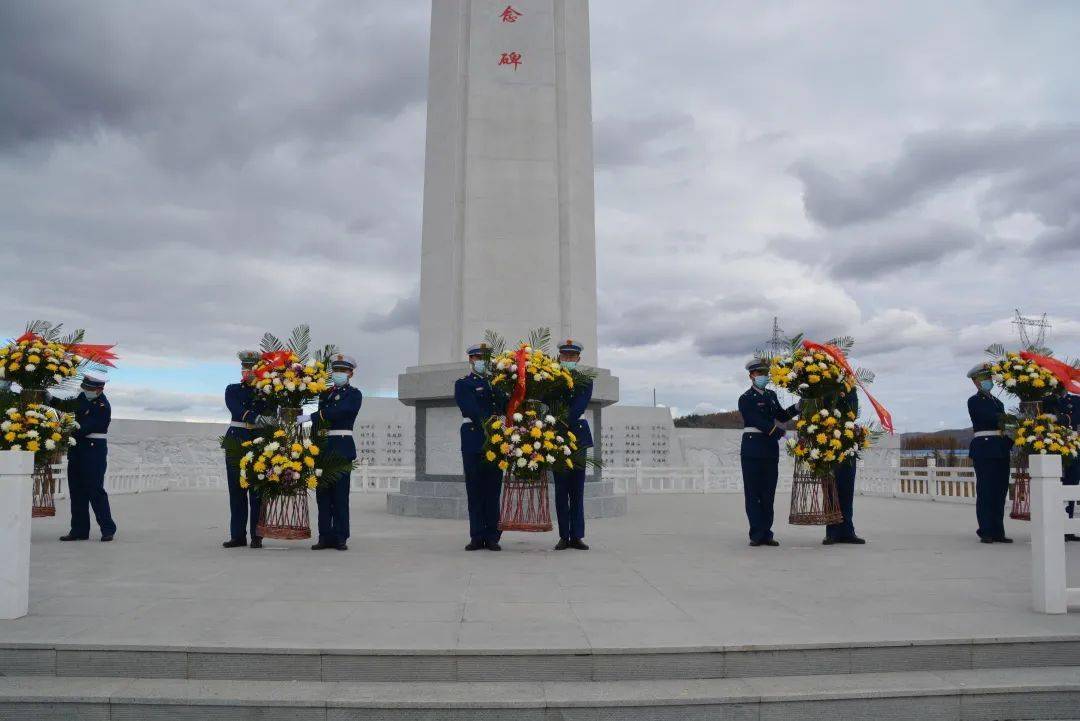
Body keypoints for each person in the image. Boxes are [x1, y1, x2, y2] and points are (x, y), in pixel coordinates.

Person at [738, 358, 799, 547]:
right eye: (758, 374)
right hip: (752, 449)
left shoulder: (772, 395)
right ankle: (756, 533)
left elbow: (780, 415)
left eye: (764, 373)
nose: (762, 376)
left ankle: (767, 533)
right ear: (751, 376)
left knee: (768, 493)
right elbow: (755, 420)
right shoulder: (746, 398)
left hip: (769, 450)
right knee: (753, 493)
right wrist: (779, 432)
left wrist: (798, 407)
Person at [307, 354, 362, 551]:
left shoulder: (354, 394)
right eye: (336, 370)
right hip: (323, 448)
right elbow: (320, 424)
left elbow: (343, 412)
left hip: (342, 446)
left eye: (343, 370)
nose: (339, 374)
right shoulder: (325, 394)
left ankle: (340, 536)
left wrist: (314, 416)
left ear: (351, 373)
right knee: (323, 496)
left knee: (340, 496)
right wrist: (312, 446)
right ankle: (324, 535)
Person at [455, 342, 503, 551]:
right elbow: (470, 408)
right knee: (474, 490)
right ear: (471, 360)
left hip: (496, 441)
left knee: (493, 491)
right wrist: (489, 423)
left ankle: (492, 536)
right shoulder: (463, 384)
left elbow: (505, 405)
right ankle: (476, 536)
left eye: (485, 358)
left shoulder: (498, 383)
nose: (481, 361)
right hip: (474, 438)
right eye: (477, 357)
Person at [59, 372, 117, 542]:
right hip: (77, 449)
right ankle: (79, 530)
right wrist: (48, 398)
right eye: (84, 387)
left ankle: (108, 529)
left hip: (93, 451)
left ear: (99, 389)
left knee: (95, 490)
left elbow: (86, 427)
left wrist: (60, 432)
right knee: (76, 491)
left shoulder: (102, 406)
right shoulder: (82, 398)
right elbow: (67, 406)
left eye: (88, 388)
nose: (85, 390)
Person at [552, 340, 592, 551]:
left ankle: (577, 535)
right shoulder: (551, 380)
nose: (568, 359)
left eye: (571, 356)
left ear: (578, 359)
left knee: (577, 489)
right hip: (557, 437)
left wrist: (562, 419)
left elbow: (579, 406)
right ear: (559, 357)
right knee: (561, 490)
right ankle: (563, 535)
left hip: (577, 436)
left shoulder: (585, 381)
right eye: (564, 356)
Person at [223, 350, 265, 549]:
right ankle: (237, 535)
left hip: (258, 441)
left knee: (257, 491)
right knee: (236, 491)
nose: (246, 372)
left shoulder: (267, 392)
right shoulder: (232, 389)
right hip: (236, 441)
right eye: (244, 368)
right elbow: (235, 409)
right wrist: (253, 416)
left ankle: (257, 535)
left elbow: (270, 412)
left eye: (250, 368)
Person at [967, 363, 1012, 544]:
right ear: (976, 381)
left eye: (989, 378)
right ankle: (985, 530)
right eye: (984, 378)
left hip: (1000, 449)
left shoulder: (998, 402)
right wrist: (1010, 420)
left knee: (999, 492)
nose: (988, 381)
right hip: (985, 449)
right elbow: (989, 418)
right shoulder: (974, 401)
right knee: (986, 491)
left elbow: (1004, 425)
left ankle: (998, 530)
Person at [823, 389, 866, 545]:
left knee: (847, 490)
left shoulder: (851, 389)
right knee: (831, 490)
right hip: (827, 443)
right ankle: (832, 532)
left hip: (847, 444)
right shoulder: (825, 385)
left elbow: (852, 412)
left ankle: (847, 531)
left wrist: (843, 395)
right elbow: (824, 409)